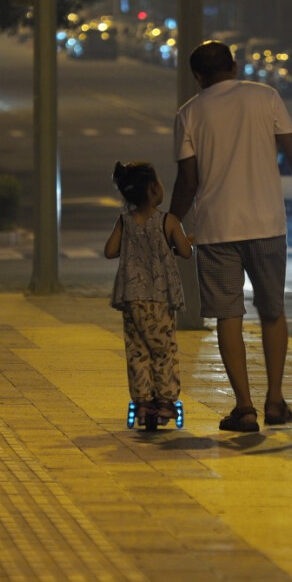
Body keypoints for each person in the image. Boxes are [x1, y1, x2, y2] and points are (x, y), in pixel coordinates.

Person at [170, 40, 292, 432]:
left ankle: (244, 408)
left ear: (197, 76)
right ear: (235, 65)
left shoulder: (189, 113)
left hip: (216, 230)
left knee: (228, 315)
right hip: (266, 225)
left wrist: (173, 219)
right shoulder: (266, 98)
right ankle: (275, 399)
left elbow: (188, 180)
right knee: (272, 311)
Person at [105, 161, 193, 424]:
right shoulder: (168, 221)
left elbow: (110, 251)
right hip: (160, 298)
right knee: (164, 350)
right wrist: (183, 243)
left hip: (132, 298)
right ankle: (165, 403)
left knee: (137, 350)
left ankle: (143, 403)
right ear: (154, 189)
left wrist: (134, 248)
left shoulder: (125, 222)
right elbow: (186, 252)